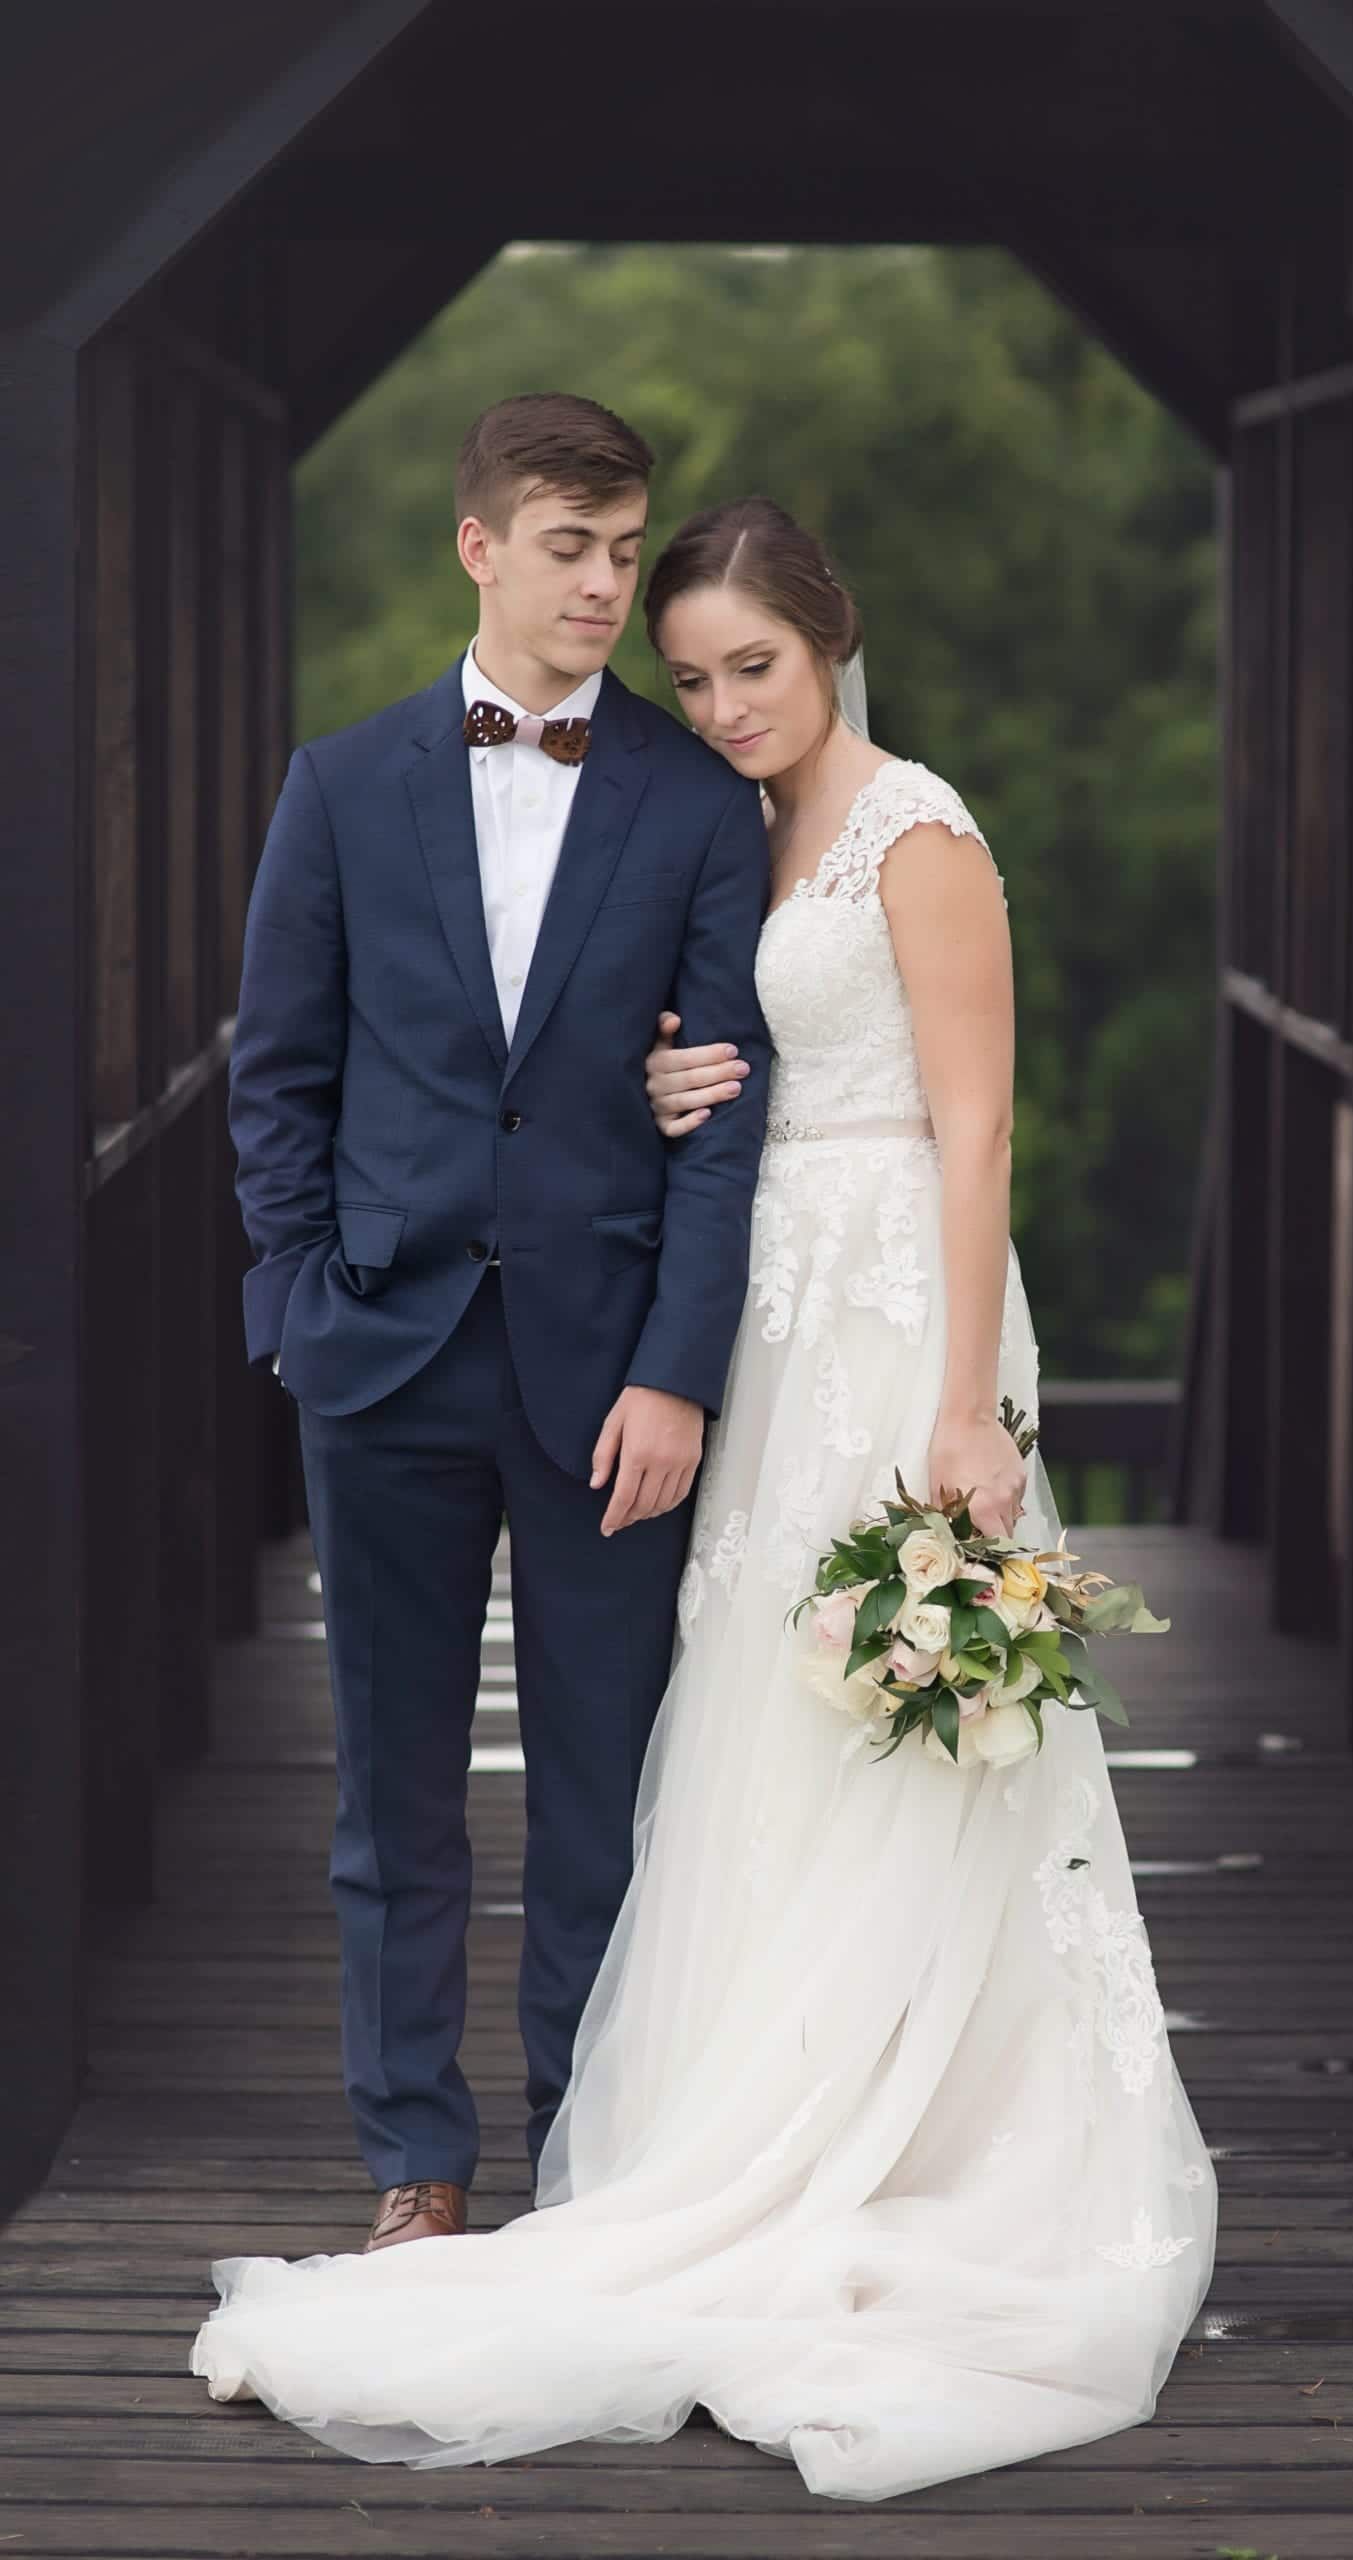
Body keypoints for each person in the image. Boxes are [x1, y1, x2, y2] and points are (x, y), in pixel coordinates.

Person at [195, 496, 1215, 2502]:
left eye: (756, 663)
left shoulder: (914, 831)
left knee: (866, 1731)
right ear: (484, 548)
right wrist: (685, 1088)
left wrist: (966, 1406)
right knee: (749, 1724)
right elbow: (673, 1049)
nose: (724, 700)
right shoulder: (707, 822)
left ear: (830, 637)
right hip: (748, 1324)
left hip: (894, 1314)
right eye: (696, 672)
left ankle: (907, 2138)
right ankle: (686, 2124)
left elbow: (974, 1112)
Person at [222, 395, 772, 2245]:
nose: (607, 584)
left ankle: (585, 2161)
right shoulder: (342, 784)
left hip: (608, 1378)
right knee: (395, 1807)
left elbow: (726, 1110)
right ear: (480, 546)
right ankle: (415, 2166)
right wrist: (295, 1306)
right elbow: (277, 1078)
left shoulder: (700, 804)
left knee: (602, 1806)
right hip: (380, 1358)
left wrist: (680, 1371)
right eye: (570, 546)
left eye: (627, 551)